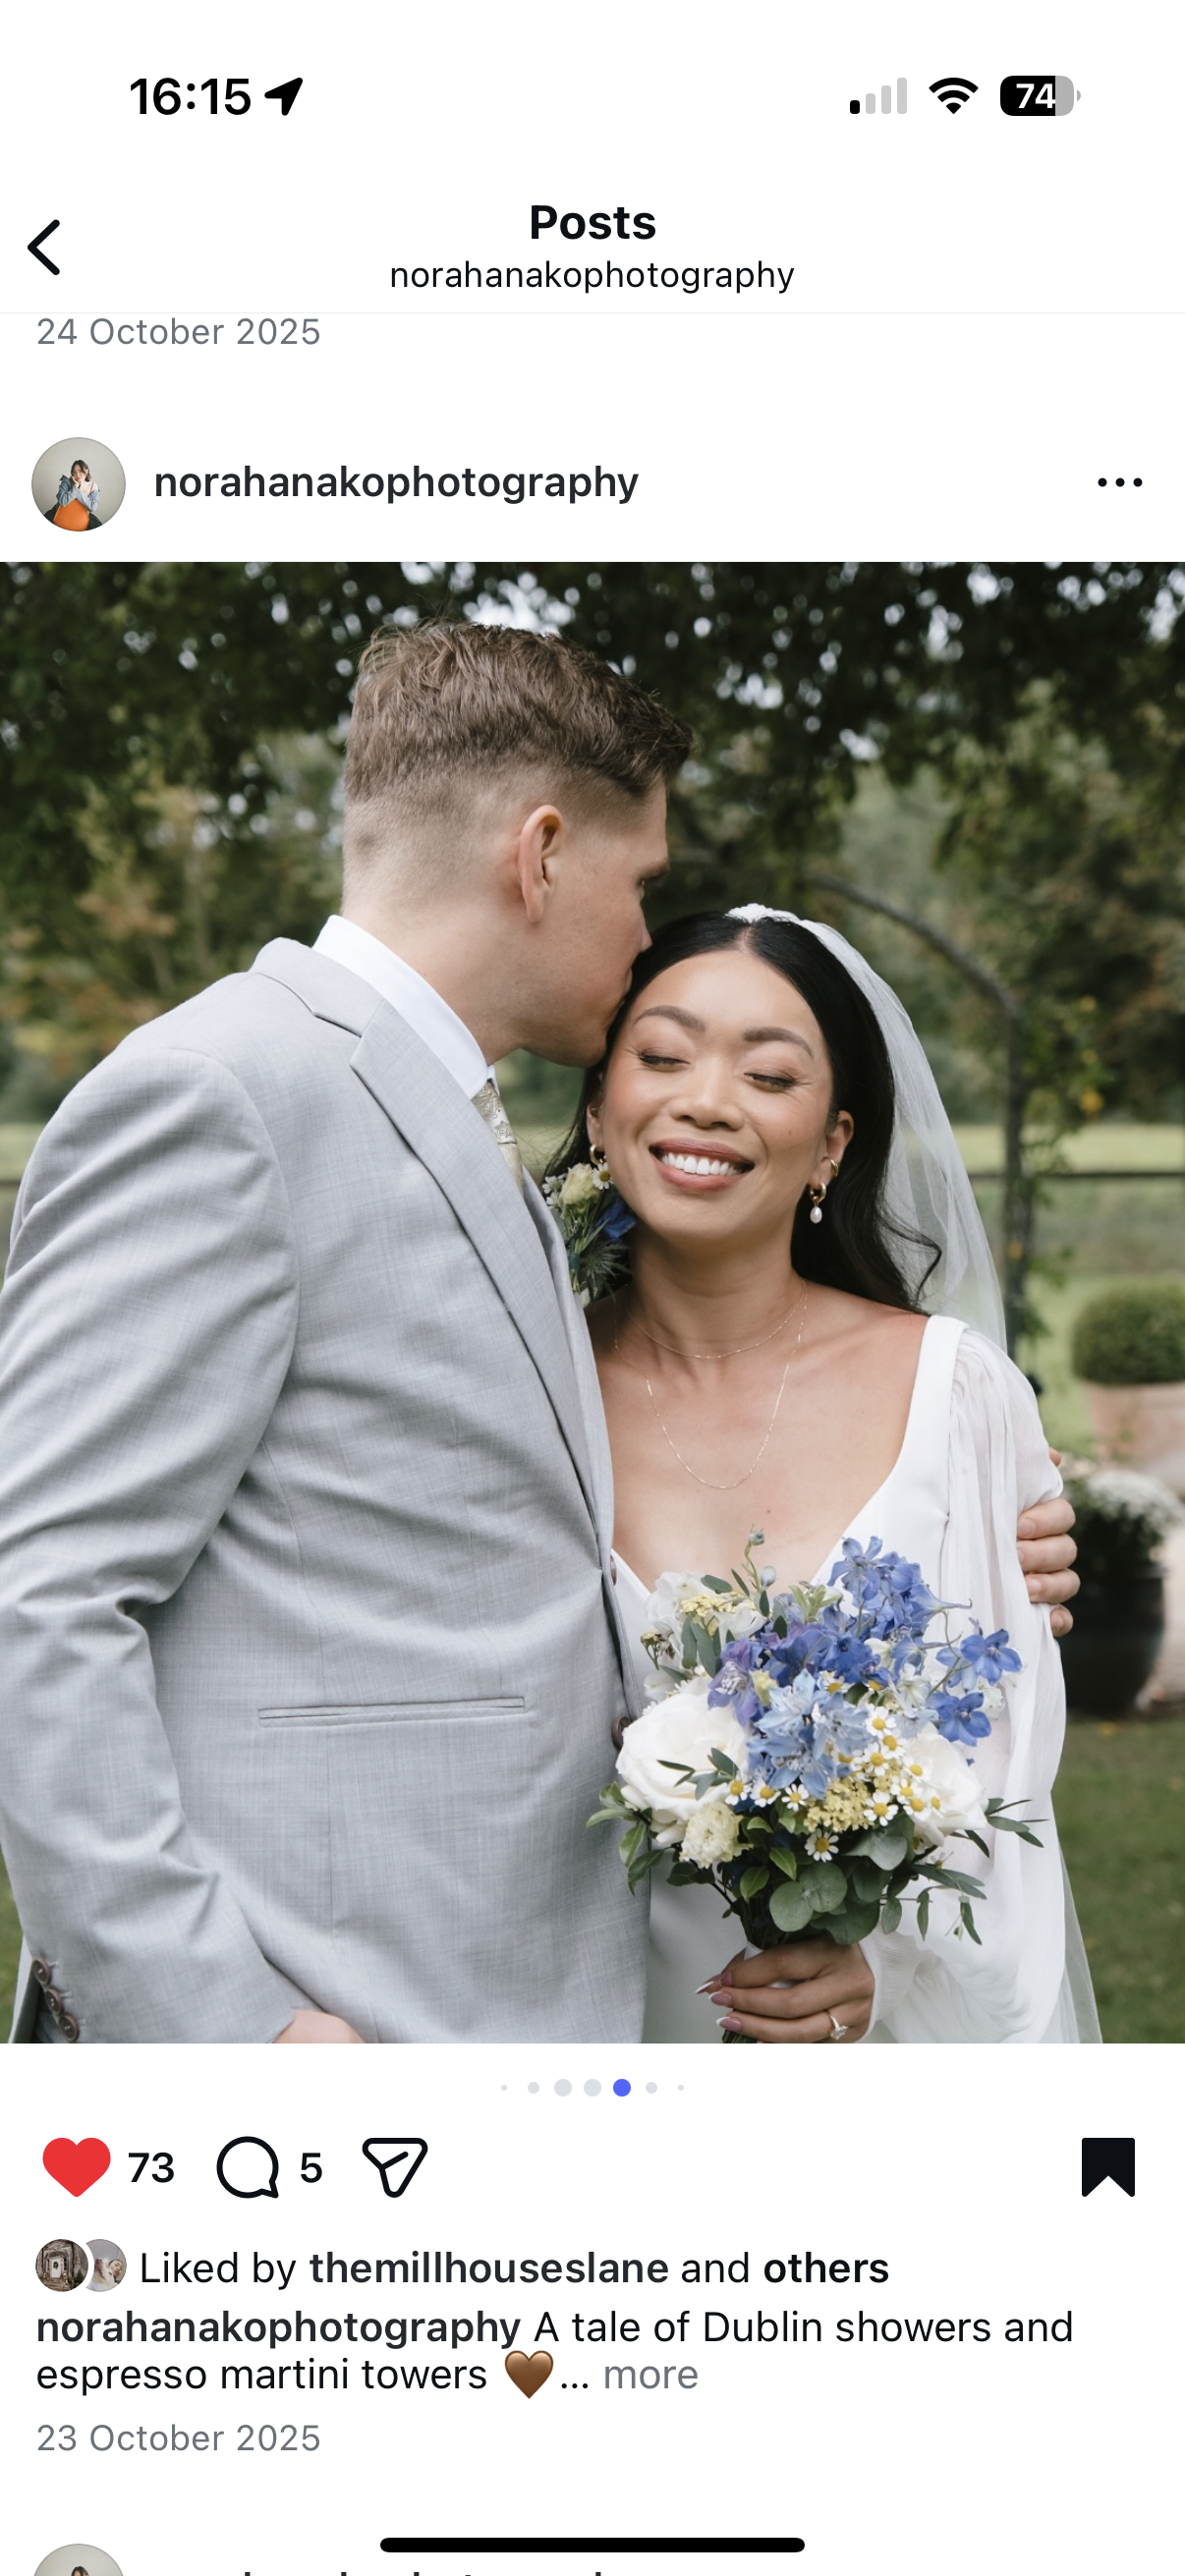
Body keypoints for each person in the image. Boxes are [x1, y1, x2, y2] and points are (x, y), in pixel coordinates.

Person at [0, 625, 1078, 2044]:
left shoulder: (472, 1136)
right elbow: (43, 1591)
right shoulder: (227, 1093)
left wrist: (969, 1543)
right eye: (638, 883)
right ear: (541, 852)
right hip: (326, 2049)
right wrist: (224, 2023)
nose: (643, 933)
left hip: (538, 2023)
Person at [565, 907, 1099, 2044]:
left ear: (835, 1142)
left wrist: (876, 1964)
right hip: (575, 2039)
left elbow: (1000, 1795)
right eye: (661, 1056)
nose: (705, 1098)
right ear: (601, 1109)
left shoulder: (953, 1397)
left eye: (768, 1075)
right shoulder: (523, 1384)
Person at [50, 460, 100, 529]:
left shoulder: (93, 486)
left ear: (86, 471)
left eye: (80, 471)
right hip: (59, 515)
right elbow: (62, 501)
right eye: (74, 472)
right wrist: (75, 487)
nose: (77, 475)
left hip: (81, 518)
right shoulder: (66, 482)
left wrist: (78, 491)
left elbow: (92, 507)